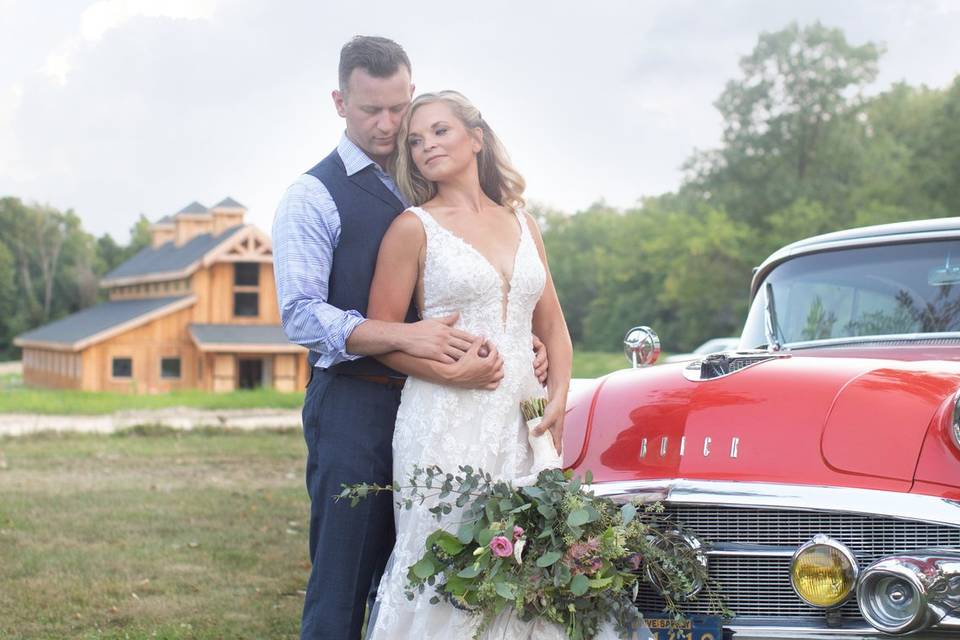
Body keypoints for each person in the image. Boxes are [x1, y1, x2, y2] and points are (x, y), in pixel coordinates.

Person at [272, 38, 547, 640]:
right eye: (371, 109)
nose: (389, 124)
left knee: (444, 572)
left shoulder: (427, 175)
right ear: (340, 102)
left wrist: (519, 335)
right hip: (355, 404)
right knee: (345, 584)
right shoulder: (312, 196)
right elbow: (299, 314)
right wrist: (406, 338)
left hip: (454, 411)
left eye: (399, 107)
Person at [364, 91, 574, 639]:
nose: (424, 146)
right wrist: (449, 372)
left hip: (525, 420)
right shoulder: (412, 228)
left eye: (439, 132)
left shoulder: (523, 222)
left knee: (534, 568)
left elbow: (551, 322)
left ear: (476, 138)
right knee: (450, 566)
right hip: (444, 420)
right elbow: (381, 336)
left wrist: (558, 399)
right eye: (414, 141)